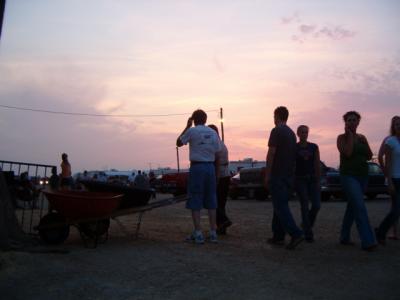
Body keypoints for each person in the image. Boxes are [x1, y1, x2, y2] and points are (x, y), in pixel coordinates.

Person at [177, 109, 221, 244]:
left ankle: (198, 233)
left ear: (194, 120)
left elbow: (179, 142)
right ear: (205, 119)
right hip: (210, 167)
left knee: (195, 199)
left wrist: (187, 126)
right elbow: (218, 150)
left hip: (197, 167)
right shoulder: (213, 132)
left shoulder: (192, 131)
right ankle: (213, 233)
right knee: (211, 200)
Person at [264, 106, 304, 250]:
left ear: (277, 116)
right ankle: (278, 236)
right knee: (278, 205)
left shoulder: (276, 131)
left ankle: (296, 233)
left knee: (280, 206)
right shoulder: (291, 133)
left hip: (278, 175)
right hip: (288, 175)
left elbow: (271, 153)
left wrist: (267, 174)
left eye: (274, 116)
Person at [337, 111, 377, 251]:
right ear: (345, 123)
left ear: (358, 122)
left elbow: (369, 155)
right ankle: (368, 241)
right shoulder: (341, 138)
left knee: (353, 207)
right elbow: (347, 152)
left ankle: (344, 237)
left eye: (354, 120)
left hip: (363, 176)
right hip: (348, 176)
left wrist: (363, 142)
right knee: (359, 206)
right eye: (349, 120)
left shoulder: (362, 137)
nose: (352, 122)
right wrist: (349, 136)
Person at [375, 116, 400, 244]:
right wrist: (388, 179)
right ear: (393, 127)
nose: (399, 126)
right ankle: (380, 232)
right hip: (395, 179)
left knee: (396, 210)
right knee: (396, 210)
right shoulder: (391, 141)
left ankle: (382, 231)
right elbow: (387, 162)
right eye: (397, 124)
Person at [295, 125, 321, 242]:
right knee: (304, 206)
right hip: (300, 179)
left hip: (312, 179)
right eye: (302, 132)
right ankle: (308, 233)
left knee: (316, 205)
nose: (304, 134)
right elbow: (292, 164)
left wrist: (318, 179)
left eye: (306, 132)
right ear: (298, 134)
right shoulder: (294, 148)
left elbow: (317, 163)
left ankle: (306, 225)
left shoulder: (314, 147)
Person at [208, 124, 232, 235]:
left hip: (219, 176)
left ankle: (224, 221)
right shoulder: (222, 143)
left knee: (214, 202)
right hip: (226, 175)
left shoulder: (214, 144)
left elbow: (214, 161)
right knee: (221, 203)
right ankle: (222, 227)